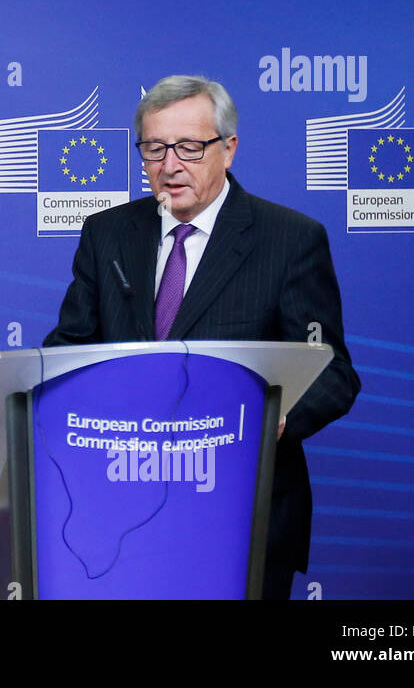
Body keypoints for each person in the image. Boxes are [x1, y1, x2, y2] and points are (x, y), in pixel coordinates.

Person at [44, 75, 360, 600]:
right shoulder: (107, 234)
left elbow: (332, 372)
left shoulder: (290, 240)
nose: (170, 165)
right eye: (154, 148)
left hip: (240, 508)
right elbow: (70, 348)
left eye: (189, 147)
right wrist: (20, 400)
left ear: (228, 149)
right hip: (122, 510)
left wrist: (272, 422)